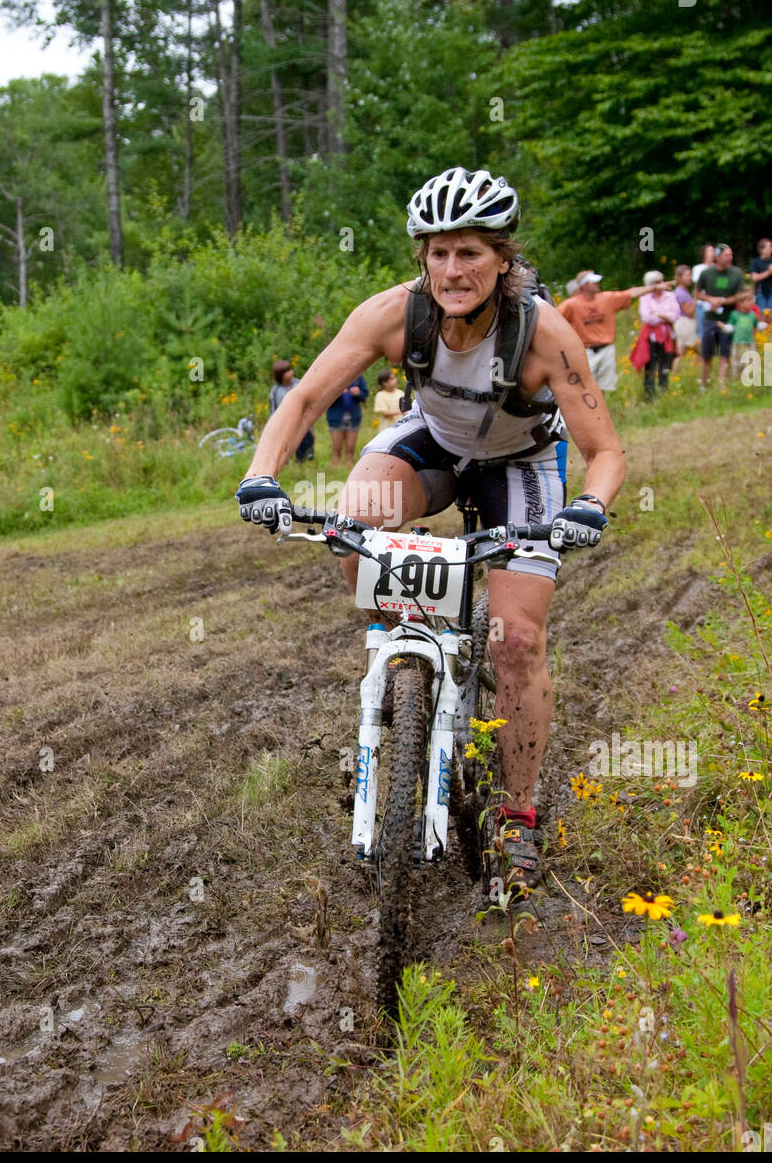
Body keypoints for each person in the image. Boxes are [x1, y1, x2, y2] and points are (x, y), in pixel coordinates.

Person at [235, 166, 626, 896]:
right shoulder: (393, 312)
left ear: (503, 257)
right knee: (354, 518)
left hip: (521, 461)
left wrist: (591, 506)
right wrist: (261, 475)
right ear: (421, 254)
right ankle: (400, 678)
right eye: (439, 252)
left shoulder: (544, 332)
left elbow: (606, 451)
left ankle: (518, 818)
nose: (453, 270)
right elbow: (307, 398)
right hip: (437, 444)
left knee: (518, 639)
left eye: (471, 252)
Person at [557, 269, 671, 393]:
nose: (598, 283)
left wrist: (654, 287)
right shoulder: (571, 305)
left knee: (603, 388)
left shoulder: (607, 298)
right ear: (584, 285)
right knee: (584, 387)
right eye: (593, 282)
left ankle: (599, 411)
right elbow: (553, 318)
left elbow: (631, 293)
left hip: (607, 349)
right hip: (586, 351)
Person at [695, 245, 744, 391]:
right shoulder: (707, 273)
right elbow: (697, 293)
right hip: (710, 319)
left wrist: (723, 301)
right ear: (718, 257)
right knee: (707, 356)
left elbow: (741, 295)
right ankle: (703, 385)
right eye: (726, 255)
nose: (730, 258)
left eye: (731, 255)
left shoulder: (736, 273)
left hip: (728, 319)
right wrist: (710, 299)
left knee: (725, 354)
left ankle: (721, 386)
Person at [634, 271, 677, 398]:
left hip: (667, 336)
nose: (662, 284)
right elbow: (647, 318)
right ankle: (650, 394)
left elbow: (674, 316)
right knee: (650, 365)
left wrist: (657, 314)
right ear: (650, 285)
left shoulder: (670, 296)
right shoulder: (645, 298)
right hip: (651, 337)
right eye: (658, 282)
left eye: (662, 281)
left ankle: (664, 391)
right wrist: (665, 316)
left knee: (665, 365)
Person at [269, 360, 314, 463]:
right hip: (285, 424)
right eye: (286, 371)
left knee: (305, 446)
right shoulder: (275, 391)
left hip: (302, 422)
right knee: (287, 447)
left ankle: (303, 463)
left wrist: (311, 426)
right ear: (280, 375)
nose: (290, 372)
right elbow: (273, 410)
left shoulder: (300, 384)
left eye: (290, 369)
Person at [325, 375, 368, 466]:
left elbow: (365, 394)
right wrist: (337, 393)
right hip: (335, 417)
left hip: (354, 417)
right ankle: (335, 467)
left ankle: (348, 468)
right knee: (337, 449)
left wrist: (358, 393)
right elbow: (324, 397)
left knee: (350, 449)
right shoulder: (331, 377)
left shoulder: (358, 376)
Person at [729, 288, 763, 380]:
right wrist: (723, 327)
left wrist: (754, 335)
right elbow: (730, 327)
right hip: (737, 342)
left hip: (750, 341)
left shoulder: (752, 314)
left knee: (750, 360)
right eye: (748, 301)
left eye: (751, 300)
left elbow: (756, 325)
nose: (751, 302)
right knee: (736, 360)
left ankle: (748, 378)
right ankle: (735, 378)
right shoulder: (734, 314)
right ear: (740, 304)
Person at [671, 264, 698, 373]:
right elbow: (689, 312)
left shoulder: (682, 291)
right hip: (685, 323)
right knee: (699, 350)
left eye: (690, 275)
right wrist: (696, 300)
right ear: (680, 278)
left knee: (682, 351)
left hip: (682, 323)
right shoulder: (681, 293)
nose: (690, 278)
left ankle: (679, 372)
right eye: (687, 275)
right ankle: (690, 372)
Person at [749, 238, 772, 316]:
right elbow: (754, 278)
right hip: (760, 293)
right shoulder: (755, 262)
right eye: (768, 246)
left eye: (771, 246)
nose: (771, 249)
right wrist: (769, 272)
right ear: (761, 249)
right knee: (761, 317)